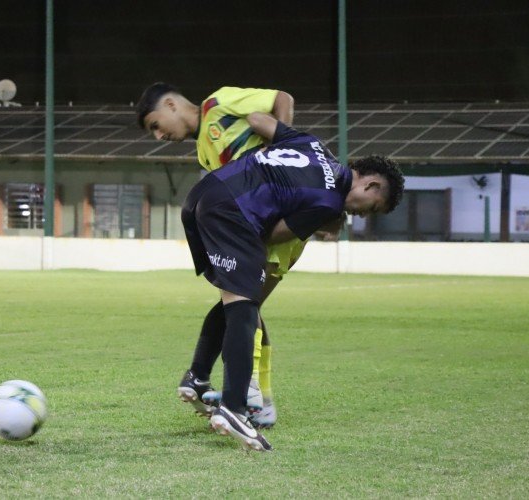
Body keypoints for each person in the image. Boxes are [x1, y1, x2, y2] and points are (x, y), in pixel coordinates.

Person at [181, 117, 404, 451]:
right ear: (370, 186)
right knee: (245, 305)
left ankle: (198, 378)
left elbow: (259, 120)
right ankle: (234, 408)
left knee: (234, 299)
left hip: (202, 194)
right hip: (231, 211)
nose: (360, 214)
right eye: (370, 208)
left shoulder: (313, 143)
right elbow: (274, 234)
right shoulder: (328, 202)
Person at [137, 82, 302, 428]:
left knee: (244, 305)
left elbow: (281, 99)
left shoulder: (220, 102)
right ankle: (251, 393)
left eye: (155, 124)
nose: (158, 136)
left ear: (171, 104)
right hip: (255, 229)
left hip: (283, 224)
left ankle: (251, 393)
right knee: (241, 304)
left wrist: (285, 145)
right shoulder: (203, 151)